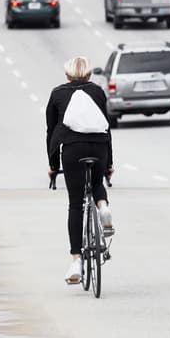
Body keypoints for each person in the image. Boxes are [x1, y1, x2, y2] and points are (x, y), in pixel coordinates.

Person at [46, 56, 114, 284]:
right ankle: (103, 208)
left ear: (67, 75)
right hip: (99, 146)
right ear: (88, 74)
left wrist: (53, 166)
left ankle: (76, 260)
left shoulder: (57, 94)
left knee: (75, 203)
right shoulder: (97, 92)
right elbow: (107, 127)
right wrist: (109, 164)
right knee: (96, 184)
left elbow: (52, 132)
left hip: (72, 149)